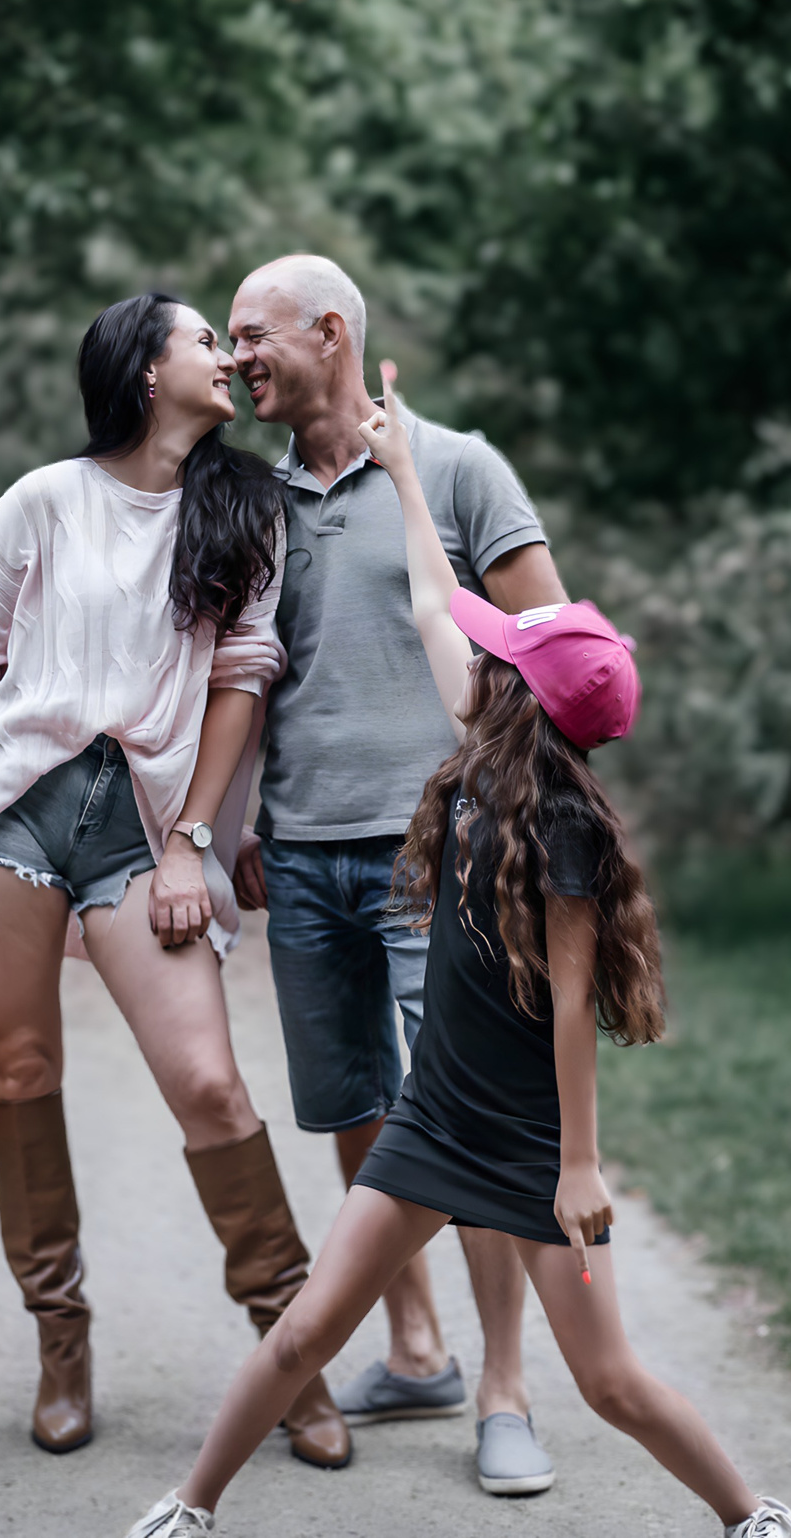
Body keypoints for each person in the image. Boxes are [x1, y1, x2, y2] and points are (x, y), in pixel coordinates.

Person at [123, 389, 791, 1538]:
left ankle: (752, 1515)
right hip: (430, 1126)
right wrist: (401, 472)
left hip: (535, 1157)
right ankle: (187, 1507)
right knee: (303, 1332)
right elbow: (438, 596)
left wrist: (580, 1168)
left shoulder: (562, 830)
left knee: (611, 1382)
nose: (477, 652)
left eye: (505, 654)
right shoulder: (480, 757)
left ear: (520, 698)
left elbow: (574, 1004)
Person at [0, 291, 350, 1469]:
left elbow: (242, 675)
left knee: (208, 1083)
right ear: (145, 370)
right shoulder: (42, 501)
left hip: (141, 829)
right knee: (24, 1070)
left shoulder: (240, 508)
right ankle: (61, 1340)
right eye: (203, 341)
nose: (227, 359)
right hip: (10, 813)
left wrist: (193, 834)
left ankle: (289, 1354)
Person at [224, 253, 567, 1493]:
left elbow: (554, 648)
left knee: (462, 1112)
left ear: (330, 332)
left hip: (446, 856)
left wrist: (519, 826)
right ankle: (415, 1346)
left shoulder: (457, 466)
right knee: (363, 1105)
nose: (234, 357)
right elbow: (255, 676)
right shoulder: (254, 496)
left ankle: (504, 1389)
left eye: (251, 335)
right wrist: (236, 823)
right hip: (302, 856)